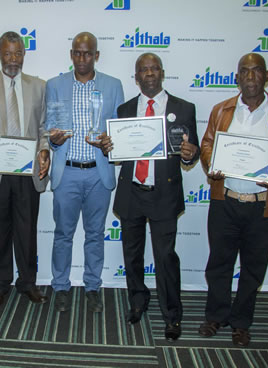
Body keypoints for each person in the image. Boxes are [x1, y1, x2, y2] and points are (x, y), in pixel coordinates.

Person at [198, 53, 268, 347]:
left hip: (263, 205)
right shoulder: (222, 111)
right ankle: (216, 316)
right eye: (244, 72)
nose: (250, 77)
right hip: (226, 201)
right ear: (236, 78)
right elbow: (207, 144)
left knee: (253, 269)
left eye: (256, 71)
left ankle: (241, 322)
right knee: (218, 264)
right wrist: (211, 162)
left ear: (266, 76)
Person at [105, 53, 199, 342]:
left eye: (154, 68)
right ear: (136, 77)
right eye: (143, 70)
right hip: (132, 192)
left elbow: (191, 152)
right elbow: (117, 154)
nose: (149, 73)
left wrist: (191, 153)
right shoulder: (124, 109)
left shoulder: (184, 108)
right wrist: (109, 147)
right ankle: (137, 301)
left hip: (164, 195)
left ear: (162, 73)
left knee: (165, 258)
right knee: (132, 255)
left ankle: (172, 315)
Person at [46, 32, 124, 313]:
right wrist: (53, 139)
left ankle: (92, 286)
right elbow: (50, 124)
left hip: (98, 173)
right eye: (77, 53)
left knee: (95, 234)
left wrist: (109, 143)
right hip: (66, 172)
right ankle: (60, 286)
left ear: (96, 56)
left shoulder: (113, 86)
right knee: (63, 234)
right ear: (71, 55)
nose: (82, 58)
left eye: (88, 53)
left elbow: (120, 131)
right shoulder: (54, 85)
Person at [0, 31, 50, 307]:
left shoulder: (39, 86)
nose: (13, 59)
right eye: (7, 53)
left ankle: (28, 283)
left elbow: (43, 128)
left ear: (24, 54)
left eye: (18, 53)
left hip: (28, 172)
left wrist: (45, 151)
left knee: (27, 230)